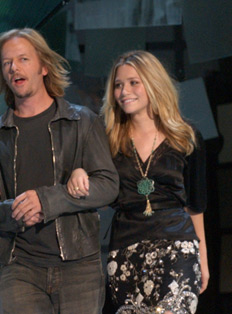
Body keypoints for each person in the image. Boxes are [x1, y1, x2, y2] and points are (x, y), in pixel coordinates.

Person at [0, 28, 119, 314]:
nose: (14, 68)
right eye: (6, 62)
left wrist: (47, 200)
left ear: (44, 66)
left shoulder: (81, 121)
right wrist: (15, 209)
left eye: (23, 59)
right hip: (19, 267)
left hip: (79, 267)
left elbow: (108, 185)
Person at [67, 50, 209, 314]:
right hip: (125, 250)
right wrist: (78, 171)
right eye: (118, 85)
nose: (124, 91)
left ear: (153, 83)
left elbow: (196, 205)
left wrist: (203, 259)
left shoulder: (186, 136)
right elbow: (93, 185)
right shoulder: (107, 139)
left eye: (133, 82)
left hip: (177, 247)